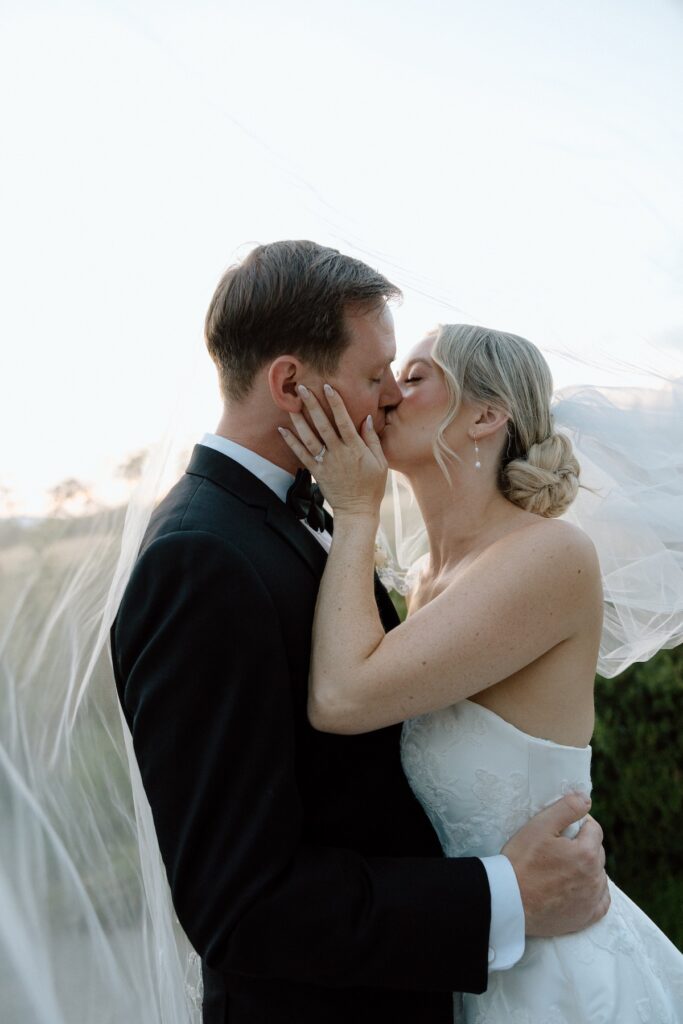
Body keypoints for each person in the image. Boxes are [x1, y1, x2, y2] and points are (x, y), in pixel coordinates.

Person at [111, 243, 607, 1024]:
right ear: (288, 383)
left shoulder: (294, 523)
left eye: (402, 379)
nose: (384, 400)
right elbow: (238, 902)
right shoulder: (201, 557)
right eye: (376, 376)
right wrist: (503, 896)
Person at [278, 321, 683, 1021]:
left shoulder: (550, 555)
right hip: (462, 953)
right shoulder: (424, 577)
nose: (385, 397)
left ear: (486, 415)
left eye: (414, 377)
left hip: (551, 978)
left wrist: (354, 509)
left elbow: (343, 696)